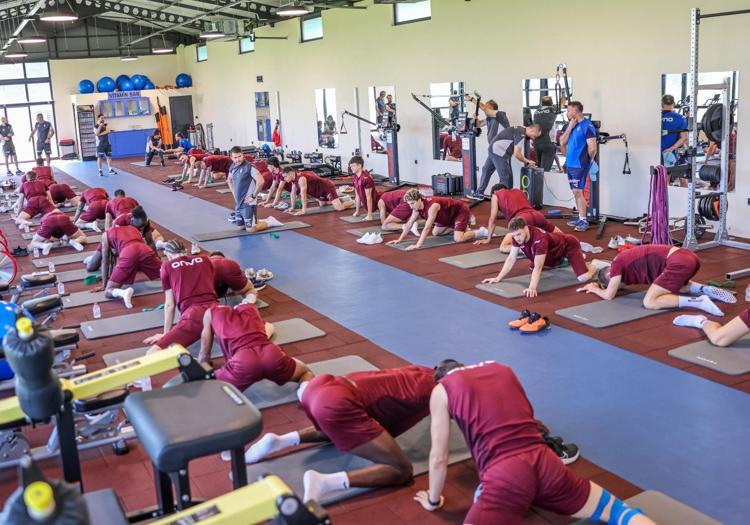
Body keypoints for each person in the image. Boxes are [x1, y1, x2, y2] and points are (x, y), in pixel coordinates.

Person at [415, 359, 656, 525]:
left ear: (440, 378)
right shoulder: (501, 368)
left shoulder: (442, 390)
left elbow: (438, 458)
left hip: (506, 476)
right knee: (618, 512)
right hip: (547, 463)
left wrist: (433, 501)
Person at [243, 365, 435, 503]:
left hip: (322, 386)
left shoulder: (424, 371)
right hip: (336, 403)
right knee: (401, 470)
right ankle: (324, 482)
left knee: (343, 427)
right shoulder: (439, 391)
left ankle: (280, 441)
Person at [578, 244, 731, 316]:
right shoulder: (634, 267)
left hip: (679, 261)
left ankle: (699, 302)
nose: (620, 287)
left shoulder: (616, 264)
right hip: (689, 257)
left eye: (616, 285)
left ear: (610, 276)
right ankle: (704, 289)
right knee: (671, 288)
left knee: (650, 302)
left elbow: (608, 296)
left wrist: (594, 288)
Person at [198, 299, 312, 394]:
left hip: (243, 361)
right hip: (271, 353)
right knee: (305, 373)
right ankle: (305, 396)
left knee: (205, 387)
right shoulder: (251, 308)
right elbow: (267, 327)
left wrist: (203, 370)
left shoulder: (210, 313)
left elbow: (204, 356)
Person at [482, 217, 602, 297]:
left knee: (583, 278)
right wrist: (498, 277)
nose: (517, 238)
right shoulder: (517, 237)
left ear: (526, 228)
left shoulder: (540, 239)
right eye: (514, 235)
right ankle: (569, 260)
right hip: (553, 252)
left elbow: (538, 267)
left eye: (519, 234)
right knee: (533, 266)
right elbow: (511, 258)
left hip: (568, 245)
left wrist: (532, 287)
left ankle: (594, 264)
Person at [144, 240, 219, 354]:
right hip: (218, 311)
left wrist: (166, 334)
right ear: (186, 251)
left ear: (168, 255)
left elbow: (170, 305)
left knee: (152, 353)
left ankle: (191, 363)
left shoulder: (166, 266)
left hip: (194, 316)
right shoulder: (205, 259)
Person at [84, 225, 162, 309]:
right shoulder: (133, 228)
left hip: (128, 252)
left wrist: (104, 285)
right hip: (144, 249)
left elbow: (105, 261)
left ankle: (123, 293)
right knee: (167, 272)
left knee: (108, 291)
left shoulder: (106, 234)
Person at [387, 189, 487, 250]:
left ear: (419, 200)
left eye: (412, 203)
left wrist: (417, 245)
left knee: (458, 239)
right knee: (436, 233)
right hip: (447, 216)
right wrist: (399, 239)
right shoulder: (416, 208)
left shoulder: (432, 207)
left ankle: (481, 231)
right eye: (409, 204)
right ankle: (460, 227)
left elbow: (427, 228)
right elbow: (409, 224)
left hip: (459, 211)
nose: (411, 206)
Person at [476, 183, 562, 251]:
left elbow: (492, 219)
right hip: (538, 215)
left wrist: (488, 239)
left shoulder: (496, 195)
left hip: (522, 219)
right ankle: (566, 245)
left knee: (503, 247)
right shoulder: (518, 191)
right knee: (561, 235)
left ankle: (533, 248)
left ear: (494, 192)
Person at [559, 101, 597, 232]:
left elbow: (592, 148)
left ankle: (584, 220)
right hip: (570, 164)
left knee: (577, 191)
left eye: (569, 110)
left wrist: (588, 161)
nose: (567, 113)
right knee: (575, 192)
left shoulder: (587, 126)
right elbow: (562, 142)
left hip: (580, 164)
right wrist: (570, 127)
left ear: (575, 111)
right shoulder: (570, 125)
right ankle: (580, 217)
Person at [227, 146, 284, 232]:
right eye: (235, 157)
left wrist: (253, 196)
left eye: (239, 156)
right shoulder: (233, 166)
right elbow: (229, 180)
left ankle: (270, 222)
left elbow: (261, 181)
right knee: (241, 227)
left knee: (251, 229)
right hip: (238, 202)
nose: (238, 159)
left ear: (243, 155)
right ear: (231, 158)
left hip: (248, 203)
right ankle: (256, 221)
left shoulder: (249, 167)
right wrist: (234, 193)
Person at [464, 95, 510, 197]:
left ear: (493, 109)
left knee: (503, 174)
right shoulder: (489, 118)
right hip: (493, 150)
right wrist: (475, 119)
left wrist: (472, 99)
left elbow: (484, 108)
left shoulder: (500, 115)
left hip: (500, 150)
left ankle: (504, 197)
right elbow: (479, 124)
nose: (485, 109)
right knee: (486, 169)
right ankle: (479, 193)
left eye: (487, 107)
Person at [282, 166, 354, 215]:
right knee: (323, 204)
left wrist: (303, 210)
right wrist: (292, 207)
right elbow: (293, 193)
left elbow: (303, 195)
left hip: (326, 187)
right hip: (319, 192)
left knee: (339, 208)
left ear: (291, 173)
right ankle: (343, 199)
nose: (284, 179)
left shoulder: (301, 179)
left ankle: (354, 201)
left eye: (285, 176)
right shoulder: (294, 180)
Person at [487, 124, 541, 191]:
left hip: (495, 150)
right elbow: (517, 154)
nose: (533, 138)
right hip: (498, 152)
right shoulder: (521, 134)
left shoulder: (521, 129)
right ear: (531, 130)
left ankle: (479, 192)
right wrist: (527, 161)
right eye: (534, 136)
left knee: (486, 171)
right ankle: (504, 196)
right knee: (506, 177)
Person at [533, 96, 560, 171]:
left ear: (541, 103)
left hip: (537, 142)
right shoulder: (553, 110)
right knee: (545, 170)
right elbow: (562, 103)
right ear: (551, 103)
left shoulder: (536, 111)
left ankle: (538, 178)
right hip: (548, 142)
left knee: (539, 168)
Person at [349, 156, 380, 220]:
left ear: (359, 166)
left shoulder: (366, 178)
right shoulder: (354, 177)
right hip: (369, 204)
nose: (351, 168)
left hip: (378, 203)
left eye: (353, 166)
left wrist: (369, 215)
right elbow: (357, 196)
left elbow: (369, 197)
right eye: (351, 166)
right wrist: (357, 211)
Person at [661, 94, 688, 167]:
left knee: (655, 172)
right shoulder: (681, 118)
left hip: (654, 151)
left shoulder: (654, 117)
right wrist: (671, 148)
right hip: (670, 152)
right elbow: (684, 137)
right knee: (667, 171)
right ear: (674, 103)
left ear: (662, 103)